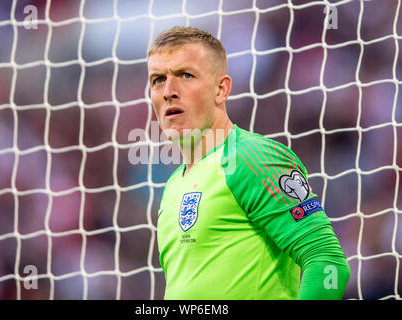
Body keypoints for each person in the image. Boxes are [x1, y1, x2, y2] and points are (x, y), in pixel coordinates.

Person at [147, 26, 350, 300]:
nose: (169, 91)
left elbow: (327, 262)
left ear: (221, 89)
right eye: (158, 79)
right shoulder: (173, 185)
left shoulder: (252, 158)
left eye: (186, 75)